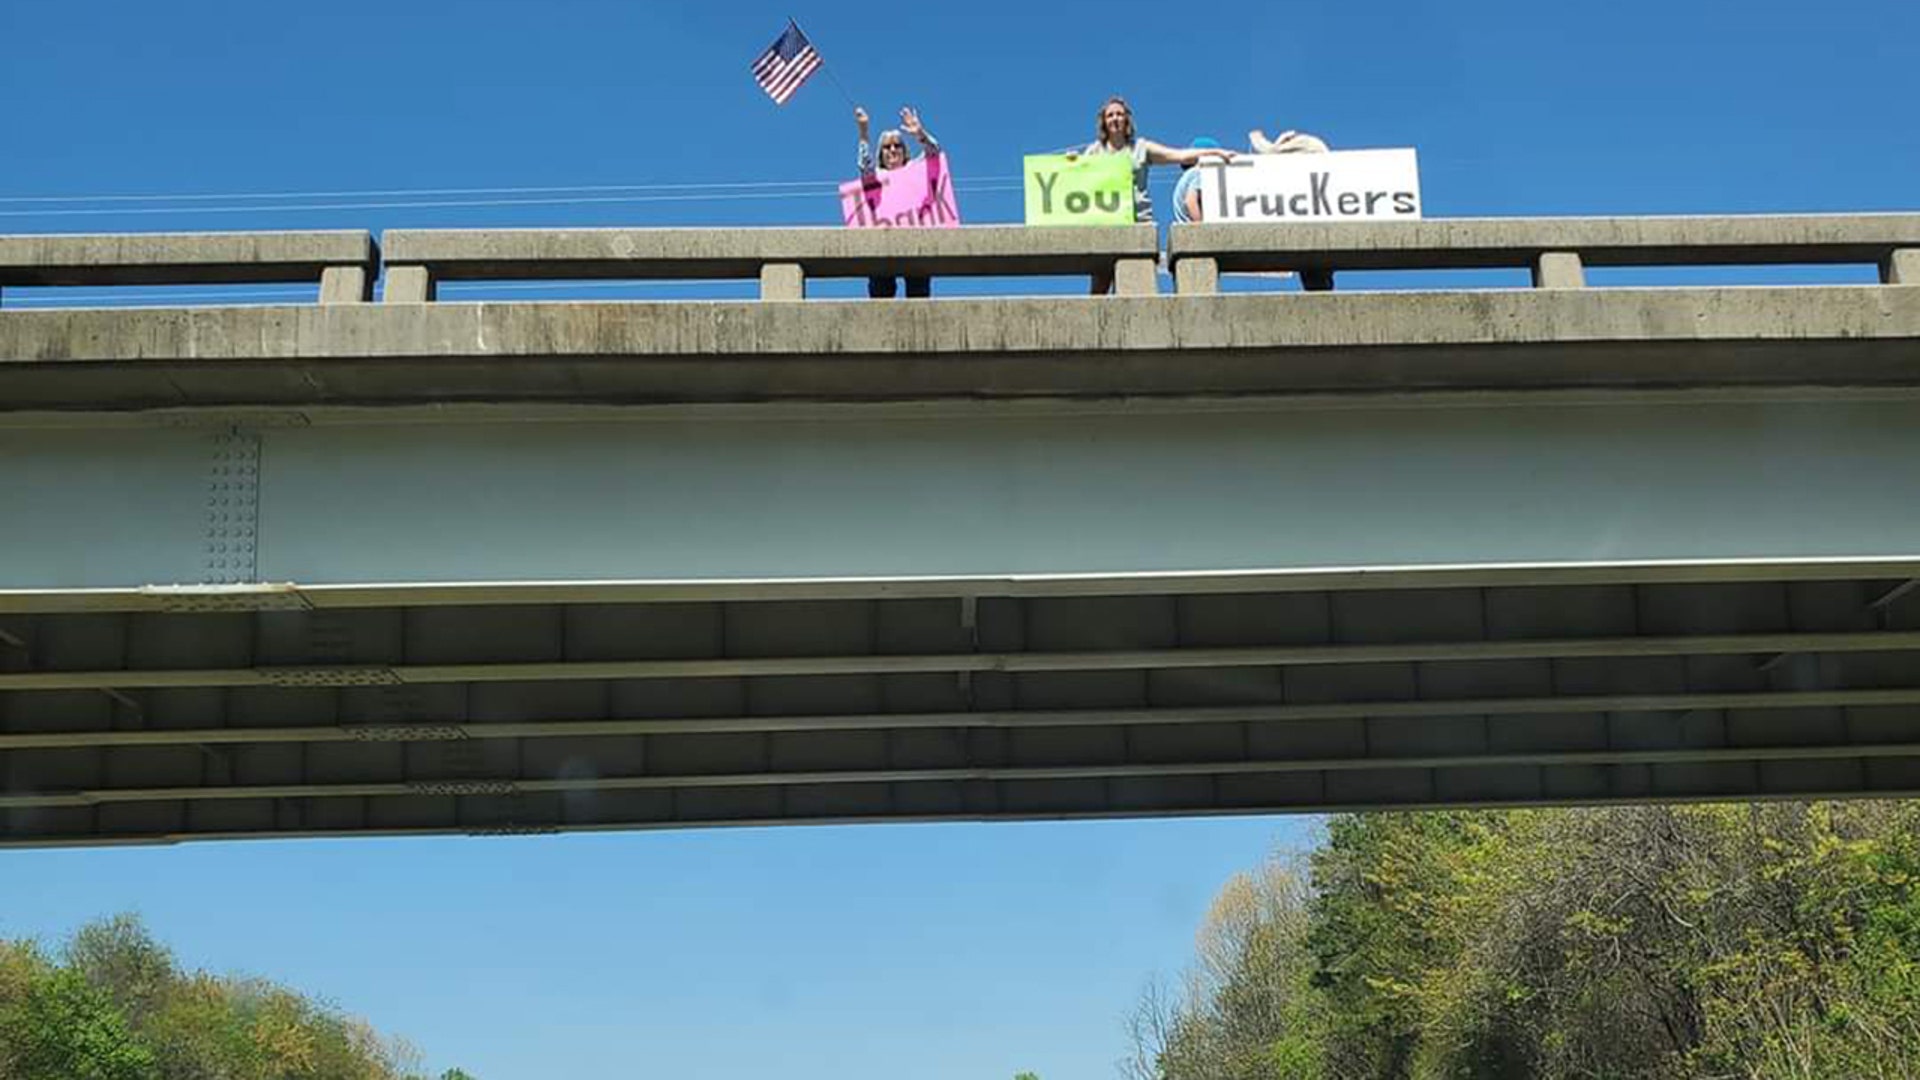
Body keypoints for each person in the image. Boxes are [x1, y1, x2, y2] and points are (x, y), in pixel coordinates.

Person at [1076, 96, 1234, 293]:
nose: (1115, 118)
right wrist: (1068, 163)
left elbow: (1180, 155)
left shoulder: (1141, 148)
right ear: (1104, 121)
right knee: (1099, 287)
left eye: (1119, 114)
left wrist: (1216, 153)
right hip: (1105, 223)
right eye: (1110, 115)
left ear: (1127, 120)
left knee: (1136, 290)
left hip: (1138, 224)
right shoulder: (1093, 152)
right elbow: (1076, 178)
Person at [855, 105, 940, 299]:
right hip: (882, 242)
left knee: (918, 292)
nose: (892, 150)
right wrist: (863, 132)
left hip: (915, 241)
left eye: (897, 145)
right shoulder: (877, 176)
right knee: (880, 292)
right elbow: (864, 166)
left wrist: (920, 133)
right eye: (887, 146)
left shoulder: (914, 169)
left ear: (904, 151)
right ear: (881, 154)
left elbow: (934, 154)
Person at [1170, 136, 1222, 224]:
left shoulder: (1188, 175)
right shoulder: (1200, 172)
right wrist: (1201, 228)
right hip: (1194, 230)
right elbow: (1190, 201)